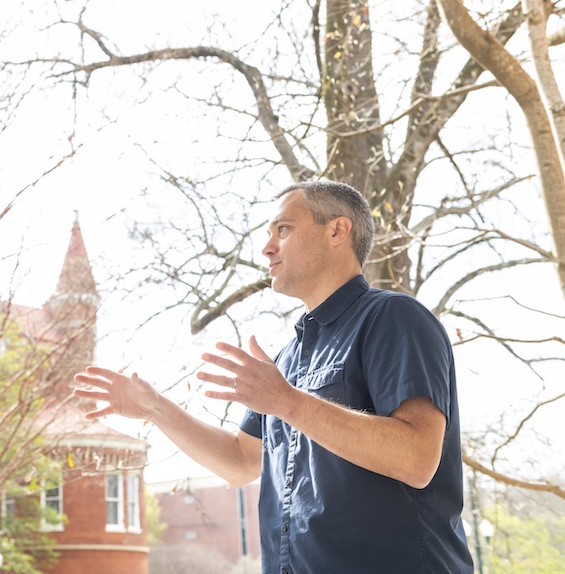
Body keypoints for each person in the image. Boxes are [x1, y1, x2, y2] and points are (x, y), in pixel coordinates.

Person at [74, 181, 473, 573]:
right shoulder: (286, 359)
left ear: (337, 230)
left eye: (283, 230)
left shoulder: (393, 317)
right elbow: (240, 462)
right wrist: (156, 409)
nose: (267, 248)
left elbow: (417, 458)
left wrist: (287, 401)